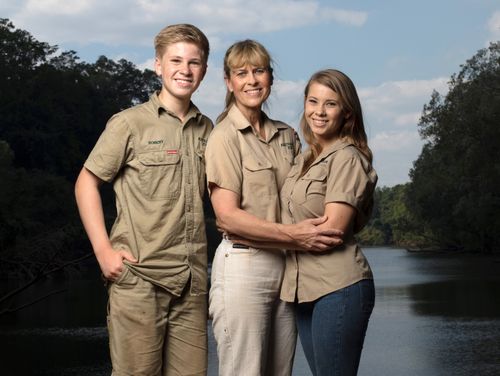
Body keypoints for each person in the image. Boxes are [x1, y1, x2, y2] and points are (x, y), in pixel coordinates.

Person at [74, 24, 212, 375]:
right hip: (139, 279)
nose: (185, 69)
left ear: (205, 70)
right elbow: (86, 183)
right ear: (158, 66)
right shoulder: (129, 124)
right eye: (176, 60)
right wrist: (104, 252)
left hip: (192, 284)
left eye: (194, 62)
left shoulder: (210, 130)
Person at [205, 40, 343, 376]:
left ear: (270, 77)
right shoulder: (223, 136)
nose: (252, 80)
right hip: (244, 265)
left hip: (289, 270)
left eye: (259, 71)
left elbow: (305, 197)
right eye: (242, 73)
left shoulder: (287, 135)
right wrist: (294, 236)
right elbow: (226, 215)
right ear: (228, 82)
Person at [279, 69, 377, 376]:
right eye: (313, 101)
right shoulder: (303, 160)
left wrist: (259, 236)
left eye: (330, 104)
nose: (319, 111)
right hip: (301, 290)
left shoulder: (346, 157)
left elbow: (331, 231)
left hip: (339, 288)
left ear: (346, 112)